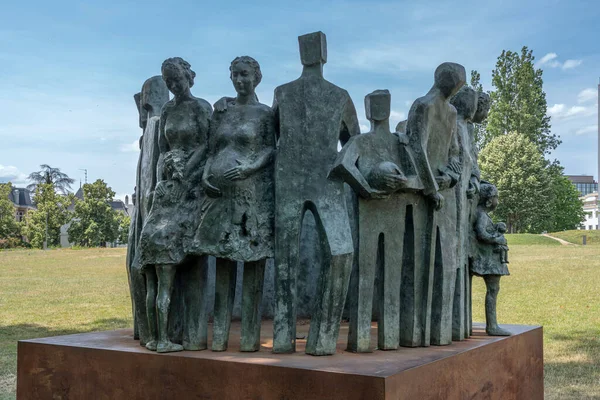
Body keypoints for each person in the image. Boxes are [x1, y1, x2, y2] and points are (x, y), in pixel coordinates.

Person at [195, 56, 275, 352]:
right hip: (218, 196)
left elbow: (271, 149)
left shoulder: (265, 114)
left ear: (257, 76)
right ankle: (219, 338)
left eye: (244, 74)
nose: (239, 80)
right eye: (234, 75)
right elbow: (213, 148)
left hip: (251, 196)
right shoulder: (223, 111)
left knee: (253, 265)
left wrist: (250, 167)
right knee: (223, 263)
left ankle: (250, 338)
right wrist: (205, 175)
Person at [137, 57, 212, 353]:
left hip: (193, 188)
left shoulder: (201, 108)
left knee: (188, 264)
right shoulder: (167, 110)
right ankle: (160, 336)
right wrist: (163, 181)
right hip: (168, 191)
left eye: (177, 79)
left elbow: (207, 145)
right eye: (168, 82)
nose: (173, 85)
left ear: (189, 77)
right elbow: (162, 151)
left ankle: (184, 331)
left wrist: (188, 172)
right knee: (158, 270)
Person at [471, 182, 511, 336]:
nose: (497, 201)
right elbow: (481, 233)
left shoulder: (483, 214)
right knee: (493, 290)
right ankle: (492, 326)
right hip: (487, 261)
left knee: (494, 290)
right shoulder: (481, 215)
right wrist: (496, 239)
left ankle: (493, 324)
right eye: (496, 197)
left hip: (490, 259)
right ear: (488, 200)